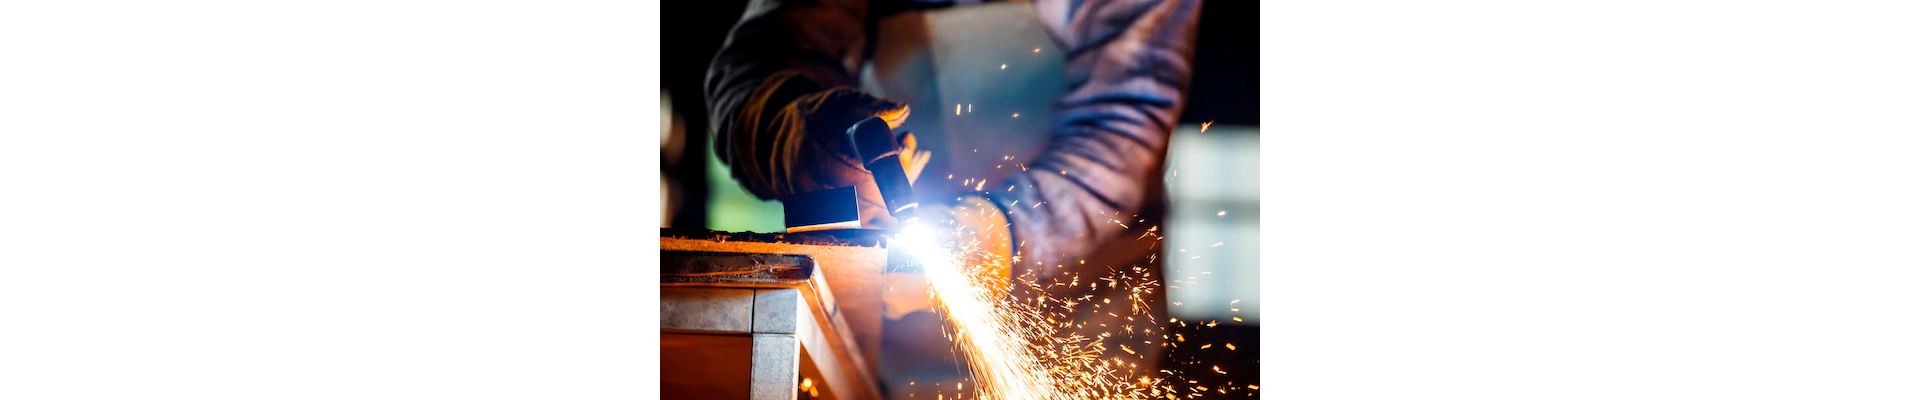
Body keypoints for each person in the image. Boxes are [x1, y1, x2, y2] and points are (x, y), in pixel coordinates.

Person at [705, 0, 1201, 379]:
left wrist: (993, 236)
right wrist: (801, 139)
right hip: (886, 345)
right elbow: (758, 62)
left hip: (1079, 332)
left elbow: (1123, 122)